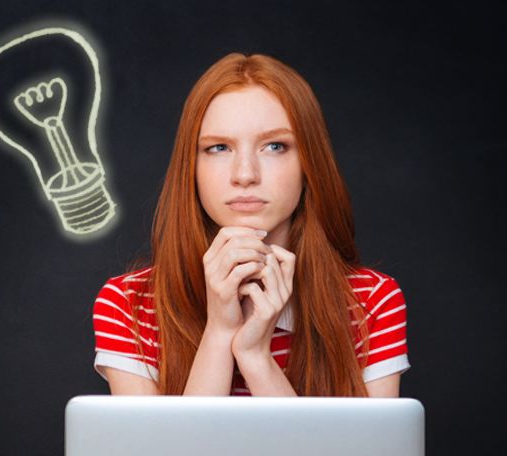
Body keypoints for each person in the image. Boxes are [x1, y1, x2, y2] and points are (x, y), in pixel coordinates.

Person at [92, 53, 410, 397]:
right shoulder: (129, 304)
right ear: (191, 167)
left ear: (309, 164)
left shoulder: (371, 302)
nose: (245, 175)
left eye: (275, 146)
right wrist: (219, 331)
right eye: (218, 147)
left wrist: (255, 357)